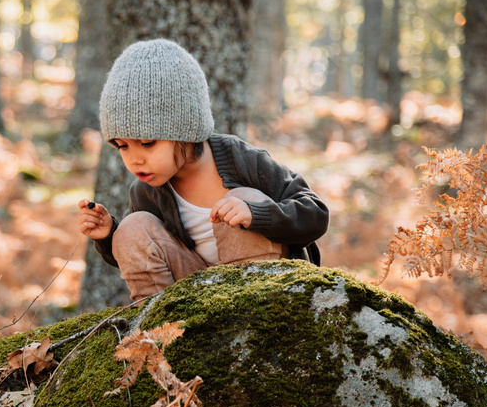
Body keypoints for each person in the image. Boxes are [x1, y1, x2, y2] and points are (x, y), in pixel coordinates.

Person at [79, 38, 329, 301]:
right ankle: (158, 329)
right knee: (132, 227)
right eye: (122, 147)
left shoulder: (240, 158)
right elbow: (143, 259)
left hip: (265, 289)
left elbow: (315, 213)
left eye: (147, 143)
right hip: (197, 293)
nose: (135, 160)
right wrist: (109, 236)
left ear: (185, 130)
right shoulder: (146, 192)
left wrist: (257, 214)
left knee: (243, 199)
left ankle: (255, 325)